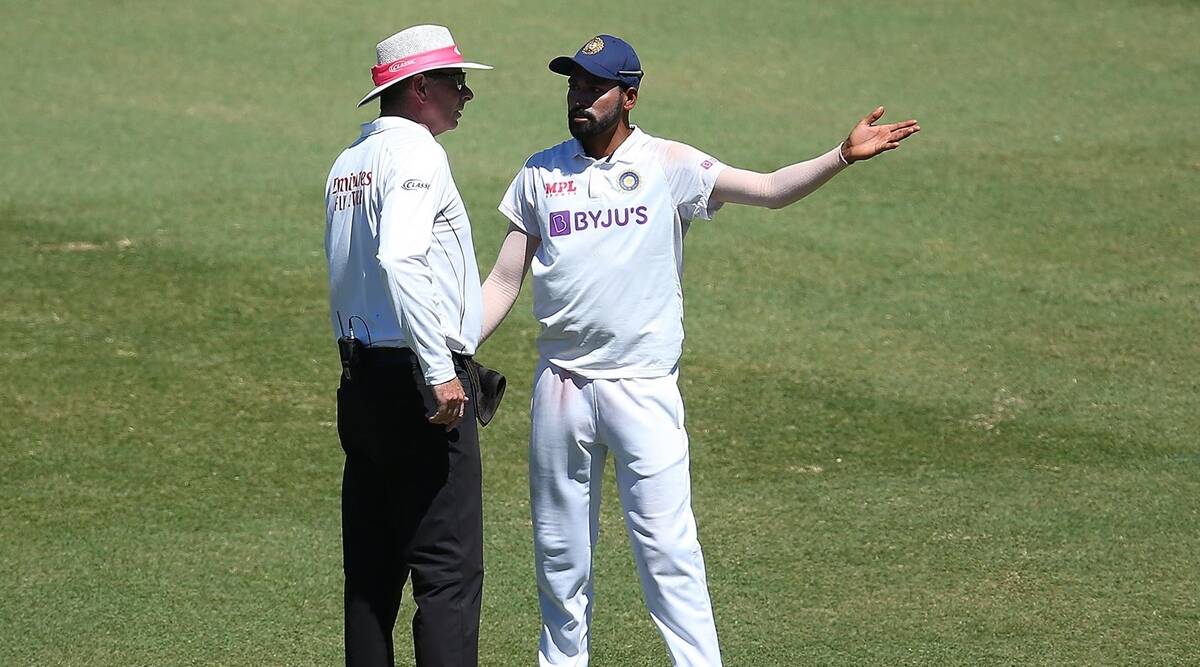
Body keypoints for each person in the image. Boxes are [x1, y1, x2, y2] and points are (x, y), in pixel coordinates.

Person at [480, 34, 919, 666]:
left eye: (592, 87)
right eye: (572, 84)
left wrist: (840, 156)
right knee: (559, 553)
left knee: (668, 553)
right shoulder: (540, 172)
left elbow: (766, 188)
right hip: (560, 386)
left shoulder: (670, 164)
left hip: (643, 388)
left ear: (627, 96)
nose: (578, 97)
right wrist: (450, 350)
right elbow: (502, 280)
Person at [323, 24, 492, 667]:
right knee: (446, 577)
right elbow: (401, 257)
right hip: (418, 386)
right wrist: (439, 370)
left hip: (360, 383)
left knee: (370, 576)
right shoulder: (418, 154)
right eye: (455, 82)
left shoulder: (349, 162)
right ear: (420, 89)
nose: (465, 94)